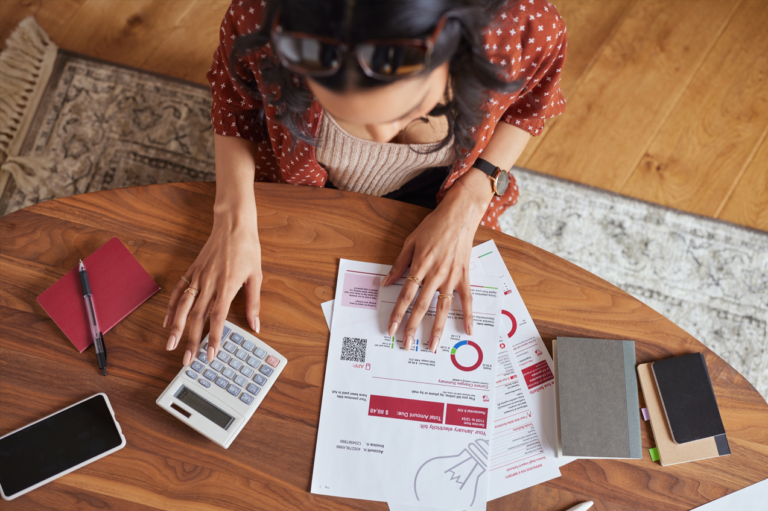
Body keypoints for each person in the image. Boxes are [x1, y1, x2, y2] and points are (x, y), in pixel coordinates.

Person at [163, 0, 567, 365]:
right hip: (302, 186)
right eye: (345, 112)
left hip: (454, 187)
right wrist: (232, 217)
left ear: (455, 51)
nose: (379, 135)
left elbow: (531, 107)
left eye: (408, 110)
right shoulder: (264, 15)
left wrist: (472, 197)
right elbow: (237, 102)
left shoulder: (522, 25)